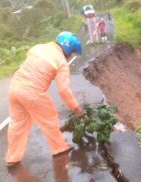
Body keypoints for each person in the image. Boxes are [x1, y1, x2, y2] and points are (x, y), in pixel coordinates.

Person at [6, 31, 84, 167]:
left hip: (14, 87)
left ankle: (12, 158)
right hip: (33, 91)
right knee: (50, 120)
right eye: (71, 52)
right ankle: (59, 148)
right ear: (68, 49)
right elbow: (63, 90)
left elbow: (31, 59)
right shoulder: (61, 62)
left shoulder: (38, 47)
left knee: (16, 125)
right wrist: (76, 108)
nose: (69, 56)